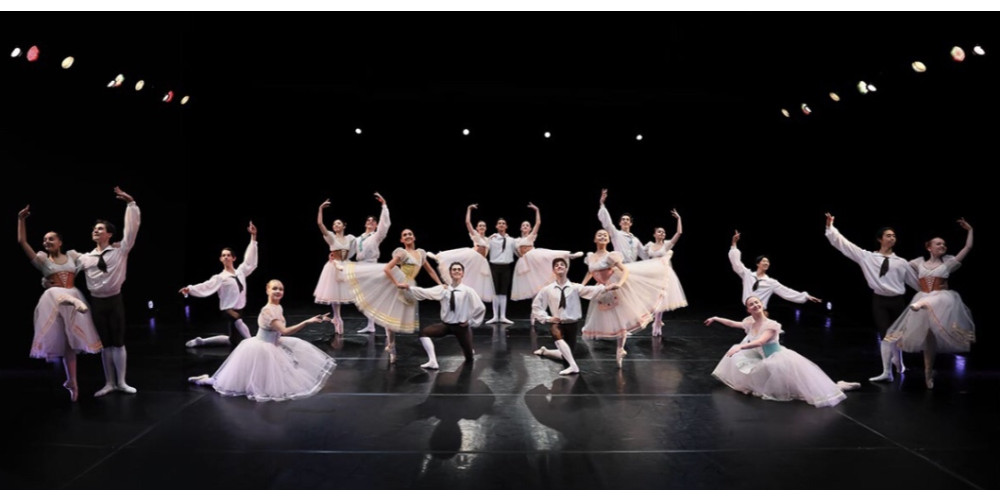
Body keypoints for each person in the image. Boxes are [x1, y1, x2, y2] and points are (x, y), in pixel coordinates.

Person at [188, 280, 334, 401]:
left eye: (281, 289)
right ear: (267, 290)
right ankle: (204, 380)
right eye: (274, 288)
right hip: (261, 347)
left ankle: (208, 379)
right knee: (237, 380)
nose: (278, 291)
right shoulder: (268, 311)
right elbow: (284, 330)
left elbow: (279, 333)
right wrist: (307, 322)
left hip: (273, 344)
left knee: (265, 377)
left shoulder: (277, 307)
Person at [706, 296, 859, 408]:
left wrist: (740, 346)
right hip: (763, 359)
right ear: (748, 309)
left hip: (778, 358)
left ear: (762, 305)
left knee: (805, 389)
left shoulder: (772, 324)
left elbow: (761, 341)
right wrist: (716, 318)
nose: (755, 305)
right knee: (740, 360)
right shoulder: (750, 322)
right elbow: (733, 323)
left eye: (757, 302)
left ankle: (840, 386)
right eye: (751, 304)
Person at [18, 205, 102, 402]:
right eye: (45, 239)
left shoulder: (72, 256)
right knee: (54, 291)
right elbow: (22, 242)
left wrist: (109, 248)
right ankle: (69, 299)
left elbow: (91, 257)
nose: (46, 241)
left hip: (73, 296)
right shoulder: (41, 260)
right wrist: (21, 219)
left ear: (60, 242)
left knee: (69, 344)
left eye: (51, 239)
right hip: (54, 301)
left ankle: (72, 381)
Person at [825, 213, 917, 383]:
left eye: (894, 236)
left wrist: (933, 295)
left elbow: (916, 283)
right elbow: (845, 245)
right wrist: (831, 228)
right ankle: (887, 372)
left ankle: (900, 364)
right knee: (886, 335)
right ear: (880, 239)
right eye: (888, 235)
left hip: (897, 301)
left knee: (897, 335)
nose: (892, 238)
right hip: (880, 301)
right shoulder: (867, 257)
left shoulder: (901, 262)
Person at [885, 218, 975, 389]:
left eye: (944, 244)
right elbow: (899, 264)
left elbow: (967, 248)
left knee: (934, 301)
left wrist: (970, 230)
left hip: (941, 301)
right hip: (922, 298)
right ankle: (928, 374)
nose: (943, 246)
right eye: (939, 244)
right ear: (929, 247)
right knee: (928, 341)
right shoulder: (918, 263)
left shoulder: (948, 263)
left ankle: (928, 375)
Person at [70, 186, 140, 397]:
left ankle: (122, 382)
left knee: (118, 340)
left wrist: (131, 204)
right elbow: (63, 271)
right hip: (97, 302)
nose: (96, 231)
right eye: (94, 229)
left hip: (115, 300)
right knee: (105, 343)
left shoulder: (120, 250)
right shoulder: (84, 258)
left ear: (109, 234)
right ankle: (109, 382)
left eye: (100, 229)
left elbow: (132, 229)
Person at [348, 229, 444, 363]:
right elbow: (387, 268)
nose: (408, 236)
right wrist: (396, 283)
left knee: (397, 319)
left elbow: (431, 271)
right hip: (399, 283)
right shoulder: (402, 253)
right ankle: (392, 346)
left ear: (414, 237)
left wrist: (440, 284)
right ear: (402, 240)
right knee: (390, 319)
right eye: (405, 235)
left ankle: (391, 345)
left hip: (410, 286)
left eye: (410, 234)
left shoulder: (420, 254)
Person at [581, 229, 670, 369]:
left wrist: (619, 284)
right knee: (606, 317)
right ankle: (620, 348)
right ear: (595, 239)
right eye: (599, 234)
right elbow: (590, 271)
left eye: (605, 235)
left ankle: (620, 349)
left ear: (608, 240)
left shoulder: (611, 256)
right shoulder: (591, 257)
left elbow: (626, 270)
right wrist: (582, 285)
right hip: (601, 289)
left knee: (621, 318)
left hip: (614, 287)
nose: (603, 236)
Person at [180, 222, 258, 348]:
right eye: (223, 255)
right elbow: (206, 286)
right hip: (228, 309)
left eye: (228, 255)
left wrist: (253, 237)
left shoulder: (241, 272)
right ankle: (253, 343)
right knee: (238, 320)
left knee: (232, 340)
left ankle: (201, 341)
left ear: (234, 258)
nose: (226, 257)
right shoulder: (220, 278)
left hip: (239, 308)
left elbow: (250, 260)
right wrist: (190, 289)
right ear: (221, 259)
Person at [404, 262, 486, 370]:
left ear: (462, 274)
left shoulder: (468, 291)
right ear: (450, 274)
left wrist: (470, 322)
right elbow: (425, 292)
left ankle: (469, 350)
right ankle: (433, 361)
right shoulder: (444, 289)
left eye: (459, 269)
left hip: (461, 327)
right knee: (424, 333)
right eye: (454, 270)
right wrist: (409, 288)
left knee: (469, 358)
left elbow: (480, 308)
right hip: (446, 325)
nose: (456, 271)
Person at [531, 258, 606, 375]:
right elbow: (536, 305)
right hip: (557, 322)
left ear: (566, 269)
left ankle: (545, 351)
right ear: (553, 270)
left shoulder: (575, 287)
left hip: (572, 324)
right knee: (557, 335)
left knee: (565, 354)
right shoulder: (548, 289)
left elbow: (591, 290)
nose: (559, 266)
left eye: (562, 265)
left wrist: (607, 287)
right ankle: (573, 366)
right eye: (556, 265)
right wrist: (547, 318)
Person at [729, 230, 821, 309]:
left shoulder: (771, 282)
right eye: (764, 261)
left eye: (768, 262)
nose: (766, 263)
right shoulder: (748, 275)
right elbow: (736, 263)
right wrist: (734, 244)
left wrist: (806, 296)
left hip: (760, 313)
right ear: (758, 264)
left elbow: (787, 292)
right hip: (748, 310)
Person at [511, 202, 583, 301]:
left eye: (527, 225)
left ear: (530, 228)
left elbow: (538, 223)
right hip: (525, 263)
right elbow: (514, 250)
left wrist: (537, 210)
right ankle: (535, 310)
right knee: (532, 285)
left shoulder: (531, 236)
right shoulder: (516, 240)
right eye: (523, 225)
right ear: (520, 228)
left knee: (550, 254)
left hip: (534, 258)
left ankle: (569, 255)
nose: (525, 227)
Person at [427, 204, 495, 303]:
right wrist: (469, 209)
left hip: (481, 262)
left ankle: (471, 302)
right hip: (473, 257)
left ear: (486, 228)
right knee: (457, 257)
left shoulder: (487, 239)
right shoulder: (475, 235)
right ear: (477, 228)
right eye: (480, 225)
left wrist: (491, 237)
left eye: (483, 226)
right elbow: (467, 222)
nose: (482, 227)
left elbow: (486, 244)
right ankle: (439, 257)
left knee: (476, 282)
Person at [641, 209, 688, 336]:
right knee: (652, 300)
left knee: (661, 299)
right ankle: (656, 320)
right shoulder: (649, 245)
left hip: (664, 275)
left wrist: (679, 219)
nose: (662, 233)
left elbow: (679, 233)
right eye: (659, 231)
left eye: (663, 232)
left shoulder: (666, 245)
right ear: (654, 234)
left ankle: (657, 322)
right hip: (652, 274)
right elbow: (641, 254)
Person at [313, 199, 356, 335]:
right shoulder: (331, 237)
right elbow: (320, 224)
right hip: (333, 266)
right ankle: (337, 317)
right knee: (334, 293)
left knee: (343, 293)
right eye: (334, 223)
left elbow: (356, 249)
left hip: (345, 265)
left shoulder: (350, 238)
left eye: (338, 223)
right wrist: (320, 208)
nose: (335, 225)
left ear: (344, 226)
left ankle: (337, 318)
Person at [352, 192, 391, 334]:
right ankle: (371, 325)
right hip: (360, 266)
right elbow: (348, 252)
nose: (370, 222)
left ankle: (387, 325)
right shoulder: (357, 239)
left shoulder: (376, 236)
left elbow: (384, 226)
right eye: (368, 220)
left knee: (375, 297)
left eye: (373, 221)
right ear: (365, 223)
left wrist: (384, 206)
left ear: (376, 225)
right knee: (366, 299)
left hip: (372, 265)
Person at [597, 189, 644, 263]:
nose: (625, 221)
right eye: (623, 219)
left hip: (633, 269)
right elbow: (607, 222)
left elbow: (645, 255)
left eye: (627, 220)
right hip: (620, 267)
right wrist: (602, 203)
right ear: (620, 223)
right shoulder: (616, 234)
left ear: (630, 223)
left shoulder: (636, 240)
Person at [486, 216, 516, 324]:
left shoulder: (512, 240)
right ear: (496, 226)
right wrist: (489, 238)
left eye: (503, 223)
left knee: (503, 291)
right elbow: (482, 245)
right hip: (494, 266)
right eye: (499, 223)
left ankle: (502, 316)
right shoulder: (492, 239)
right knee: (495, 291)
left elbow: (519, 251)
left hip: (506, 267)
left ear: (506, 226)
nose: (501, 225)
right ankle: (495, 316)